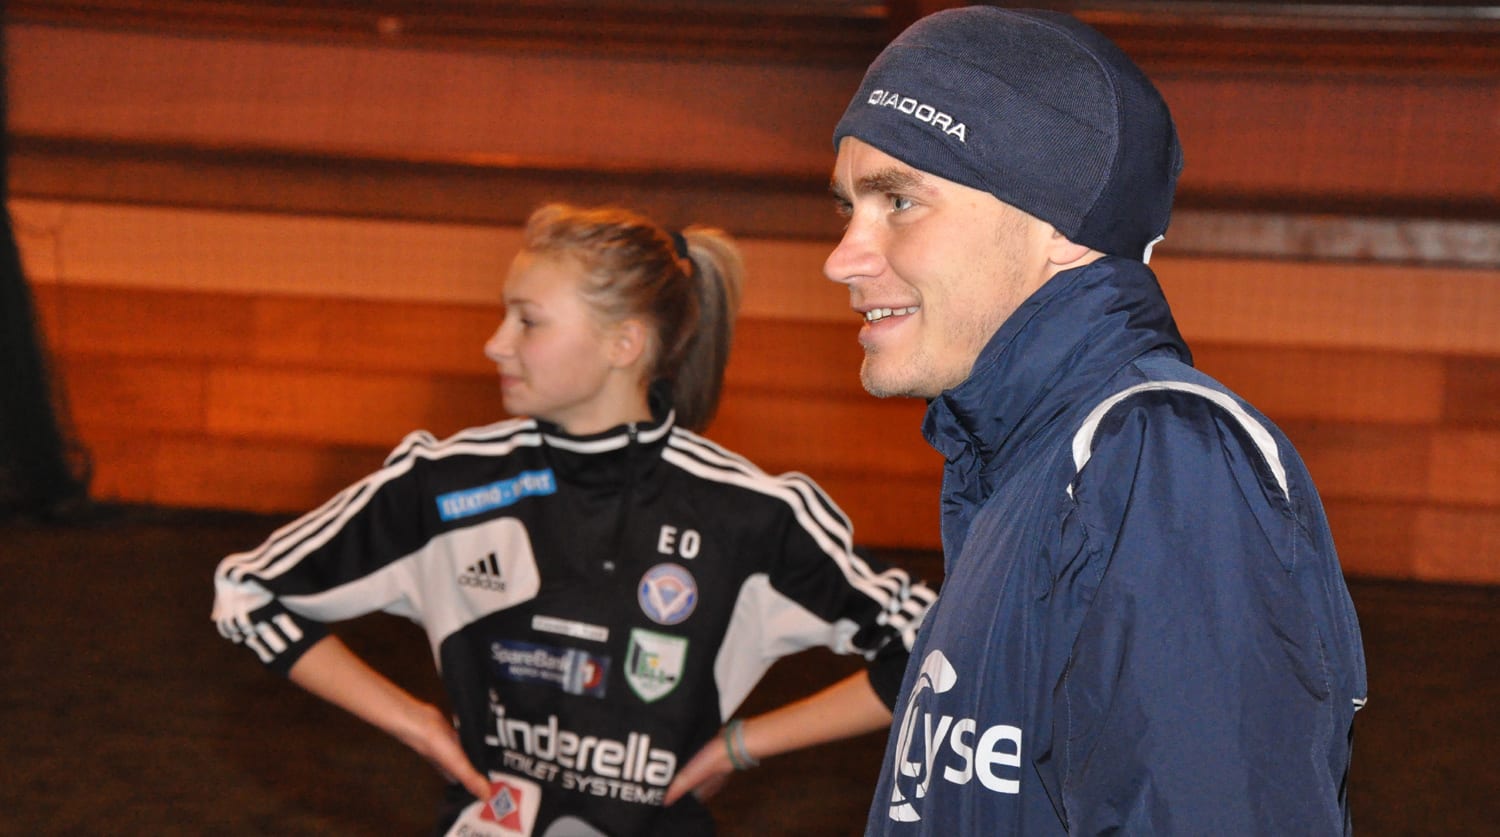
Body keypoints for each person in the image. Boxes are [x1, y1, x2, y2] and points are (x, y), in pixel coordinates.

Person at [211, 203, 936, 837]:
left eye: (527, 320)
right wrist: (416, 723)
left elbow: (932, 644)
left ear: (624, 344)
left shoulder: (752, 514)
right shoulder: (444, 485)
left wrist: (740, 744)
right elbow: (247, 593)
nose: (496, 342)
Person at [822, 8, 1367, 835]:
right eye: (847, 207)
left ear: (1062, 228)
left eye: (899, 200)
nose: (842, 258)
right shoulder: (1022, 462)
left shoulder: (1160, 459)